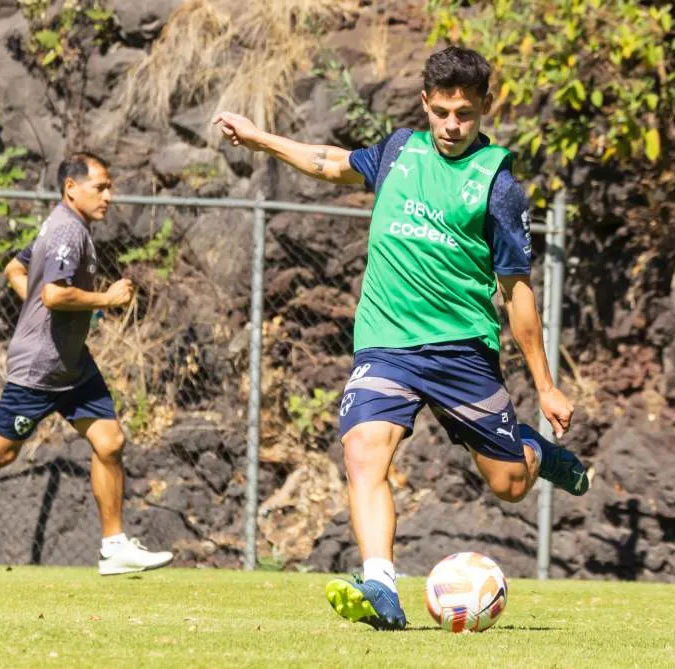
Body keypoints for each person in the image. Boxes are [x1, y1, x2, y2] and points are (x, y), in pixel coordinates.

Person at [214, 46, 589, 629]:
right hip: (386, 342)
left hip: (461, 349)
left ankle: (535, 451)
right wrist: (260, 139)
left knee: (510, 484)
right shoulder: (398, 151)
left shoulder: (499, 186)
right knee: (363, 452)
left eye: (465, 114)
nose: (452, 125)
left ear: (485, 108)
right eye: (441, 112)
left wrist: (545, 386)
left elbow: (517, 295)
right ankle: (381, 587)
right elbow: (328, 162)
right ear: (425, 103)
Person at [0, 153, 173, 575]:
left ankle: (114, 547)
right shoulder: (67, 230)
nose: (109, 196)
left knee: (109, 442)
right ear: (71, 188)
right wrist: (106, 299)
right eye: (100, 187)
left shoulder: (64, 225)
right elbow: (54, 294)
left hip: (72, 365)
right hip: (40, 370)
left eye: (109, 187)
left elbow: (16, 269)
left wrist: (42, 305)